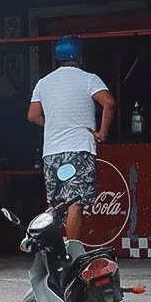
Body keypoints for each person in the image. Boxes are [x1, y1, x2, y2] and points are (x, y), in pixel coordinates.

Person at [27, 35, 115, 243]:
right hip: (79, 150)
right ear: (80, 57)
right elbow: (109, 103)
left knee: (56, 204)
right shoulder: (89, 79)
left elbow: (32, 115)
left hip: (51, 153)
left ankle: (55, 253)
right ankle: (73, 254)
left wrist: (54, 125)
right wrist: (102, 133)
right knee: (75, 203)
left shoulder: (43, 83)